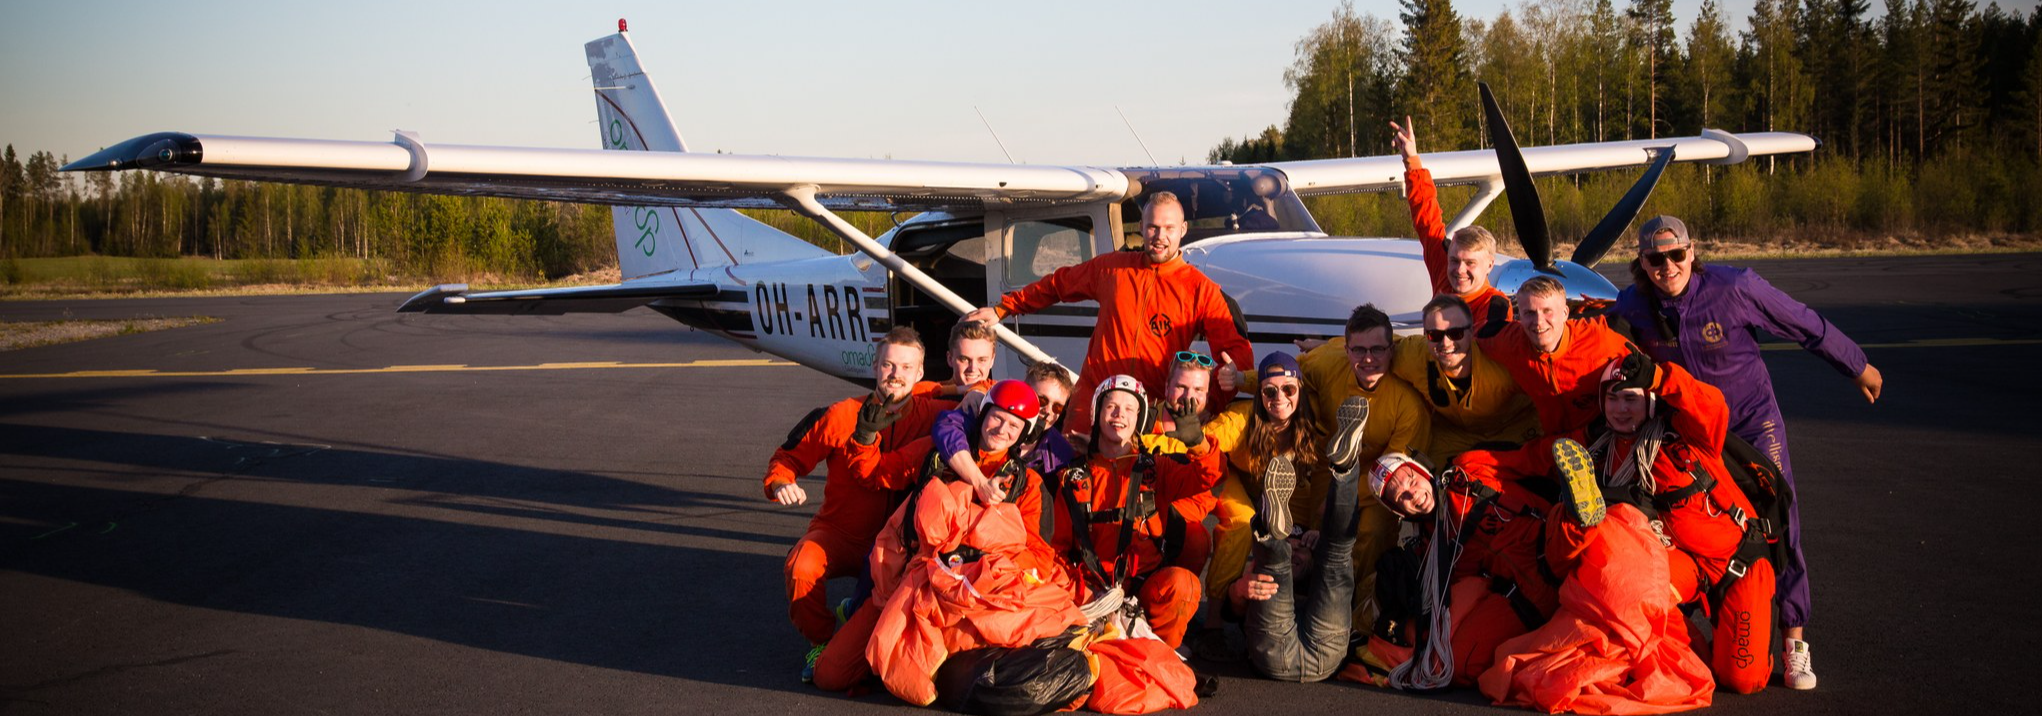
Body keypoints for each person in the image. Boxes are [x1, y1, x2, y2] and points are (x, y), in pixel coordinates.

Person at [1613, 215, 1882, 689]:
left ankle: (1794, 642)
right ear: (1642, 263)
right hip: (1692, 436)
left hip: (1752, 425)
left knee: (1781, 521)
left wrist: (1856, 365)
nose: (1667, 266)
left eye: (1676, 255)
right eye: (1655, 258)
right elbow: (1595, 344)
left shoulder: (1735, 287)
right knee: (1689, 527)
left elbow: (1802, 322)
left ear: (1692, 252)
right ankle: (1702, 634)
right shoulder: (1632, 305)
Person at [1458, 349, 1778, 694]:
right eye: (1613, 398)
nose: (1621, 408)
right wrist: (1466, 466)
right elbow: (1533, 458)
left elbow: (1711, 405)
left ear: (1650, 402)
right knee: (1628, 596)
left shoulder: (1687, 436)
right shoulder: (1595, 448)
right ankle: (1692, 652)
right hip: (1679, 560)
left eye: (1631, 398)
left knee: (1742, 680)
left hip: (1735, 562)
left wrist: (1659, 377)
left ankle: (1740, 642)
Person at [819, 380, 1075, 698]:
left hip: (971, 600)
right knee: (830, 674)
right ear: (983, 415)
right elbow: (877, 473)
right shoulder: (936, 455)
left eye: (1014, 425)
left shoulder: (1027, 485)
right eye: (997, 418)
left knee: (948, 676)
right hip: (909, 583)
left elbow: (1038, 555)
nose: (1002, 429)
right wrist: (865, 437)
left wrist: (976, 565)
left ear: (1023, 434)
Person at [962, 192, 1255, 433]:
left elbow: (1237, 356)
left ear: (1183, 230)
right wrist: (1004, 307)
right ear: (1141, 227)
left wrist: (1210, 404)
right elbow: (1059, 284)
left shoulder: (1201, 290)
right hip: (1093, 398)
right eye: (1153, 227)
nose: (1160, 236)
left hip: (1150, 409)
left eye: (1169, 229)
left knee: (1138, 480)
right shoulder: (1113, 269)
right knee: (1070, 471)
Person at [761, 327, 950, 680]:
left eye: (906, 367)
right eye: (888, 365)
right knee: (801, 566)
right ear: (874, 366)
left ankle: (855, 616)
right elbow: (787, 457)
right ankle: (821, 640)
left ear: (920, 372)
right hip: (839, 533)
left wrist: (963, 390)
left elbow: (990, 402)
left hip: (896, 546)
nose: (896, 375)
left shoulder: (934, 414)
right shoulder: (842, 415)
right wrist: (781, 482)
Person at [1344, 453, 1555, 690]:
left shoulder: (1468, 469)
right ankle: (1540, 650)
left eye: (1412, 481)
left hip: (1550, 544)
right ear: (1398, 511)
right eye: (1401, 497)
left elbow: (1532, 457)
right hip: (1524, 598)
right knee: (1463, 664)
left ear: (1422, 472)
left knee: (1572, 539)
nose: (1413, 494)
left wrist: (1583, 441)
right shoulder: (1429, 551)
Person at [1050, 375, 1223, 649]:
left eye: (1129, 409)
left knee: (1184, 585)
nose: (1120, 415)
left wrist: (1198, 444)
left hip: (1143, 587)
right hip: (1089, 590)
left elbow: (1209, 477)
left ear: (1139, 418)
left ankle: (1162, 650)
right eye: (1111, 406)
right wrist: (1081, 591)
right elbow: (1056, 550)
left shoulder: (1156, 469)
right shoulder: (1072, 477)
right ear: (1097, 413)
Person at [1188, 352, 1341, 661]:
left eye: (1288, 389)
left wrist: (1314, 527)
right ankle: (1214, 624)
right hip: (1232, 476)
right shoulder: (1243, 418)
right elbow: (1205, 443)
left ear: (1300, 390)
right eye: (1269, 391)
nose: (1279, 397)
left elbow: (1320, 480)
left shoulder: (1312, 425)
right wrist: (1187, 435)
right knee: (1242, 523)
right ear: (1259, 395)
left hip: (1282, 487)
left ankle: (1284, 615)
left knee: (1298, 539)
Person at [1292, 304, 1431, 630]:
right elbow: (1286, 376)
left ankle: (1359, 618)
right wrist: (1238, 378)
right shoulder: (1327, 363)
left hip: (1379, 480)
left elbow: (1393, 476)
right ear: (1347, 349)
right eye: (1359, 350)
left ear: (1391, 349)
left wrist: (1341, 500)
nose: (1368, 359)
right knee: (1318, 535)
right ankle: (1315, 607)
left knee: (1371, 532)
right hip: (1332, 467)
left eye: (1377, 349)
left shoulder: (1407, 405)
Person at [1228, 410, 1369, 683]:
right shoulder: (1257, 575)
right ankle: (1345, 470)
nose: (1294, 550)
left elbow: (1334, 575)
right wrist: (1239, 590)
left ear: (1311, 553)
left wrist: (1320, 543)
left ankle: (1343, 466)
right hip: (1295, 649)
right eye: (1291, 544)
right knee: (1277, 565)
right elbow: (1232, 611)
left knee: (1332, 556)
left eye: (1300, 547)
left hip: (1299, 649)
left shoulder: (1317, 570)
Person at [1391, 116, 1513, 332]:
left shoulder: (1495, 307)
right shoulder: (1443, 270)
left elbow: (1487, 347)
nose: (1459, 270)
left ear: (1490, 265)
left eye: (1470, 263)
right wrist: (1411, 159)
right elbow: (1426, 218)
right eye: (1454, 260)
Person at [1478, 275, 1636, 436]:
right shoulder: (1511, 342)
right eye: (1529, 313)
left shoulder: (1601, 337)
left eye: (1547, 311)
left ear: (1565, 313)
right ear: (1520, 317)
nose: (1538, 322)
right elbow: (1474, 337)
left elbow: (1644, 373)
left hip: (1604, 436)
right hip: (1549, 440)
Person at [1387, 294, 1539, 460]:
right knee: (1422, 471)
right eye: (1434, 335)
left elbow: (1548, 382)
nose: (1445, 343)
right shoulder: (1414, 356)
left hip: (1515, 429)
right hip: (1455, 435)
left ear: (1471, 332)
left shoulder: (1500, 359)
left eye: (1456, 333)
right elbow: (1375, 346)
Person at [927, 360, 1076, 505]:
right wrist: (980, 482)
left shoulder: (1061, 453)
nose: (1048, 411)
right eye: (1042, 400)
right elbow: (946, 427)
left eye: (1057, 407)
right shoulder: (989, 412)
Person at [916, 320, 999, 397]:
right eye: (964, 359)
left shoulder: (1000, 392)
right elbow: (910, 392)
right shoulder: (930, 394)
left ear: (992, 360)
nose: (973, 368)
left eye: (982, 360)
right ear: (950, 359)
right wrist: (957, 390)